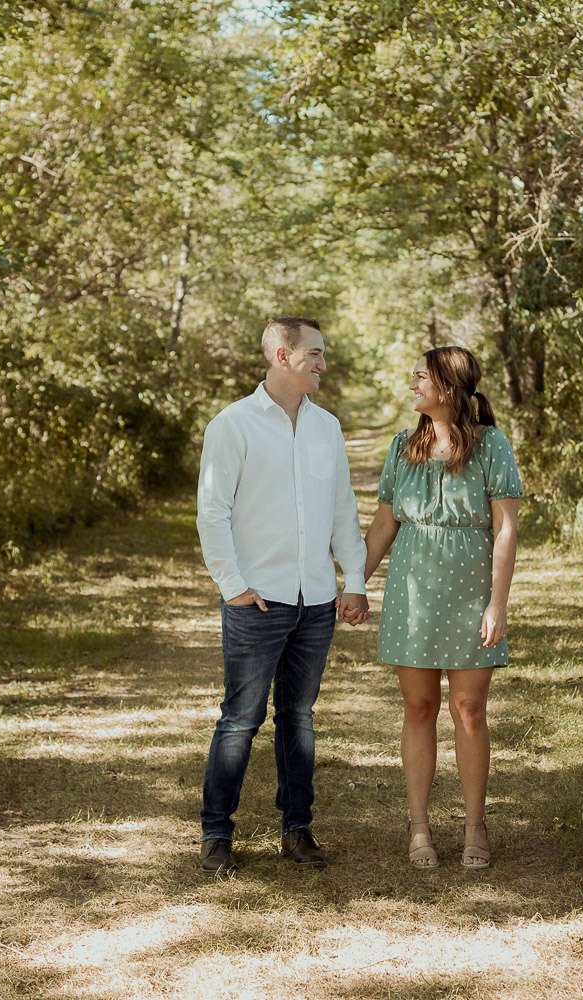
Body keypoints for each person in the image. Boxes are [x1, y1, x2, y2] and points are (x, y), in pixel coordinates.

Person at [194, 317, 371, 873]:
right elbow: (213, 511)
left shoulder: (327, 427)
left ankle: (297, 831)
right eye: (314, 354)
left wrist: (355, 581)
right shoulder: (234, 425)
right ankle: (217, 835)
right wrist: (234, 587)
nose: (322, 363)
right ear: (281, 353)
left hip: (315, 600)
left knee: (299, 716)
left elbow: (343, 510)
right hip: (259, 599)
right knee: (240, 720)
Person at [361, 345, 522, 869]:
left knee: (469, 711)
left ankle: (476, 827)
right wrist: (352, 585)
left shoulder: (491, 446)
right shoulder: (401, 447)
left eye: (420, 378)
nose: (413, 385)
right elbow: (384, 526)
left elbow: (504, 529)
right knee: (419, 708)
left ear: (447, 388)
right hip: (412, 593)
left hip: (470, 591)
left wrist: (497, 604)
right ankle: (419, 830)